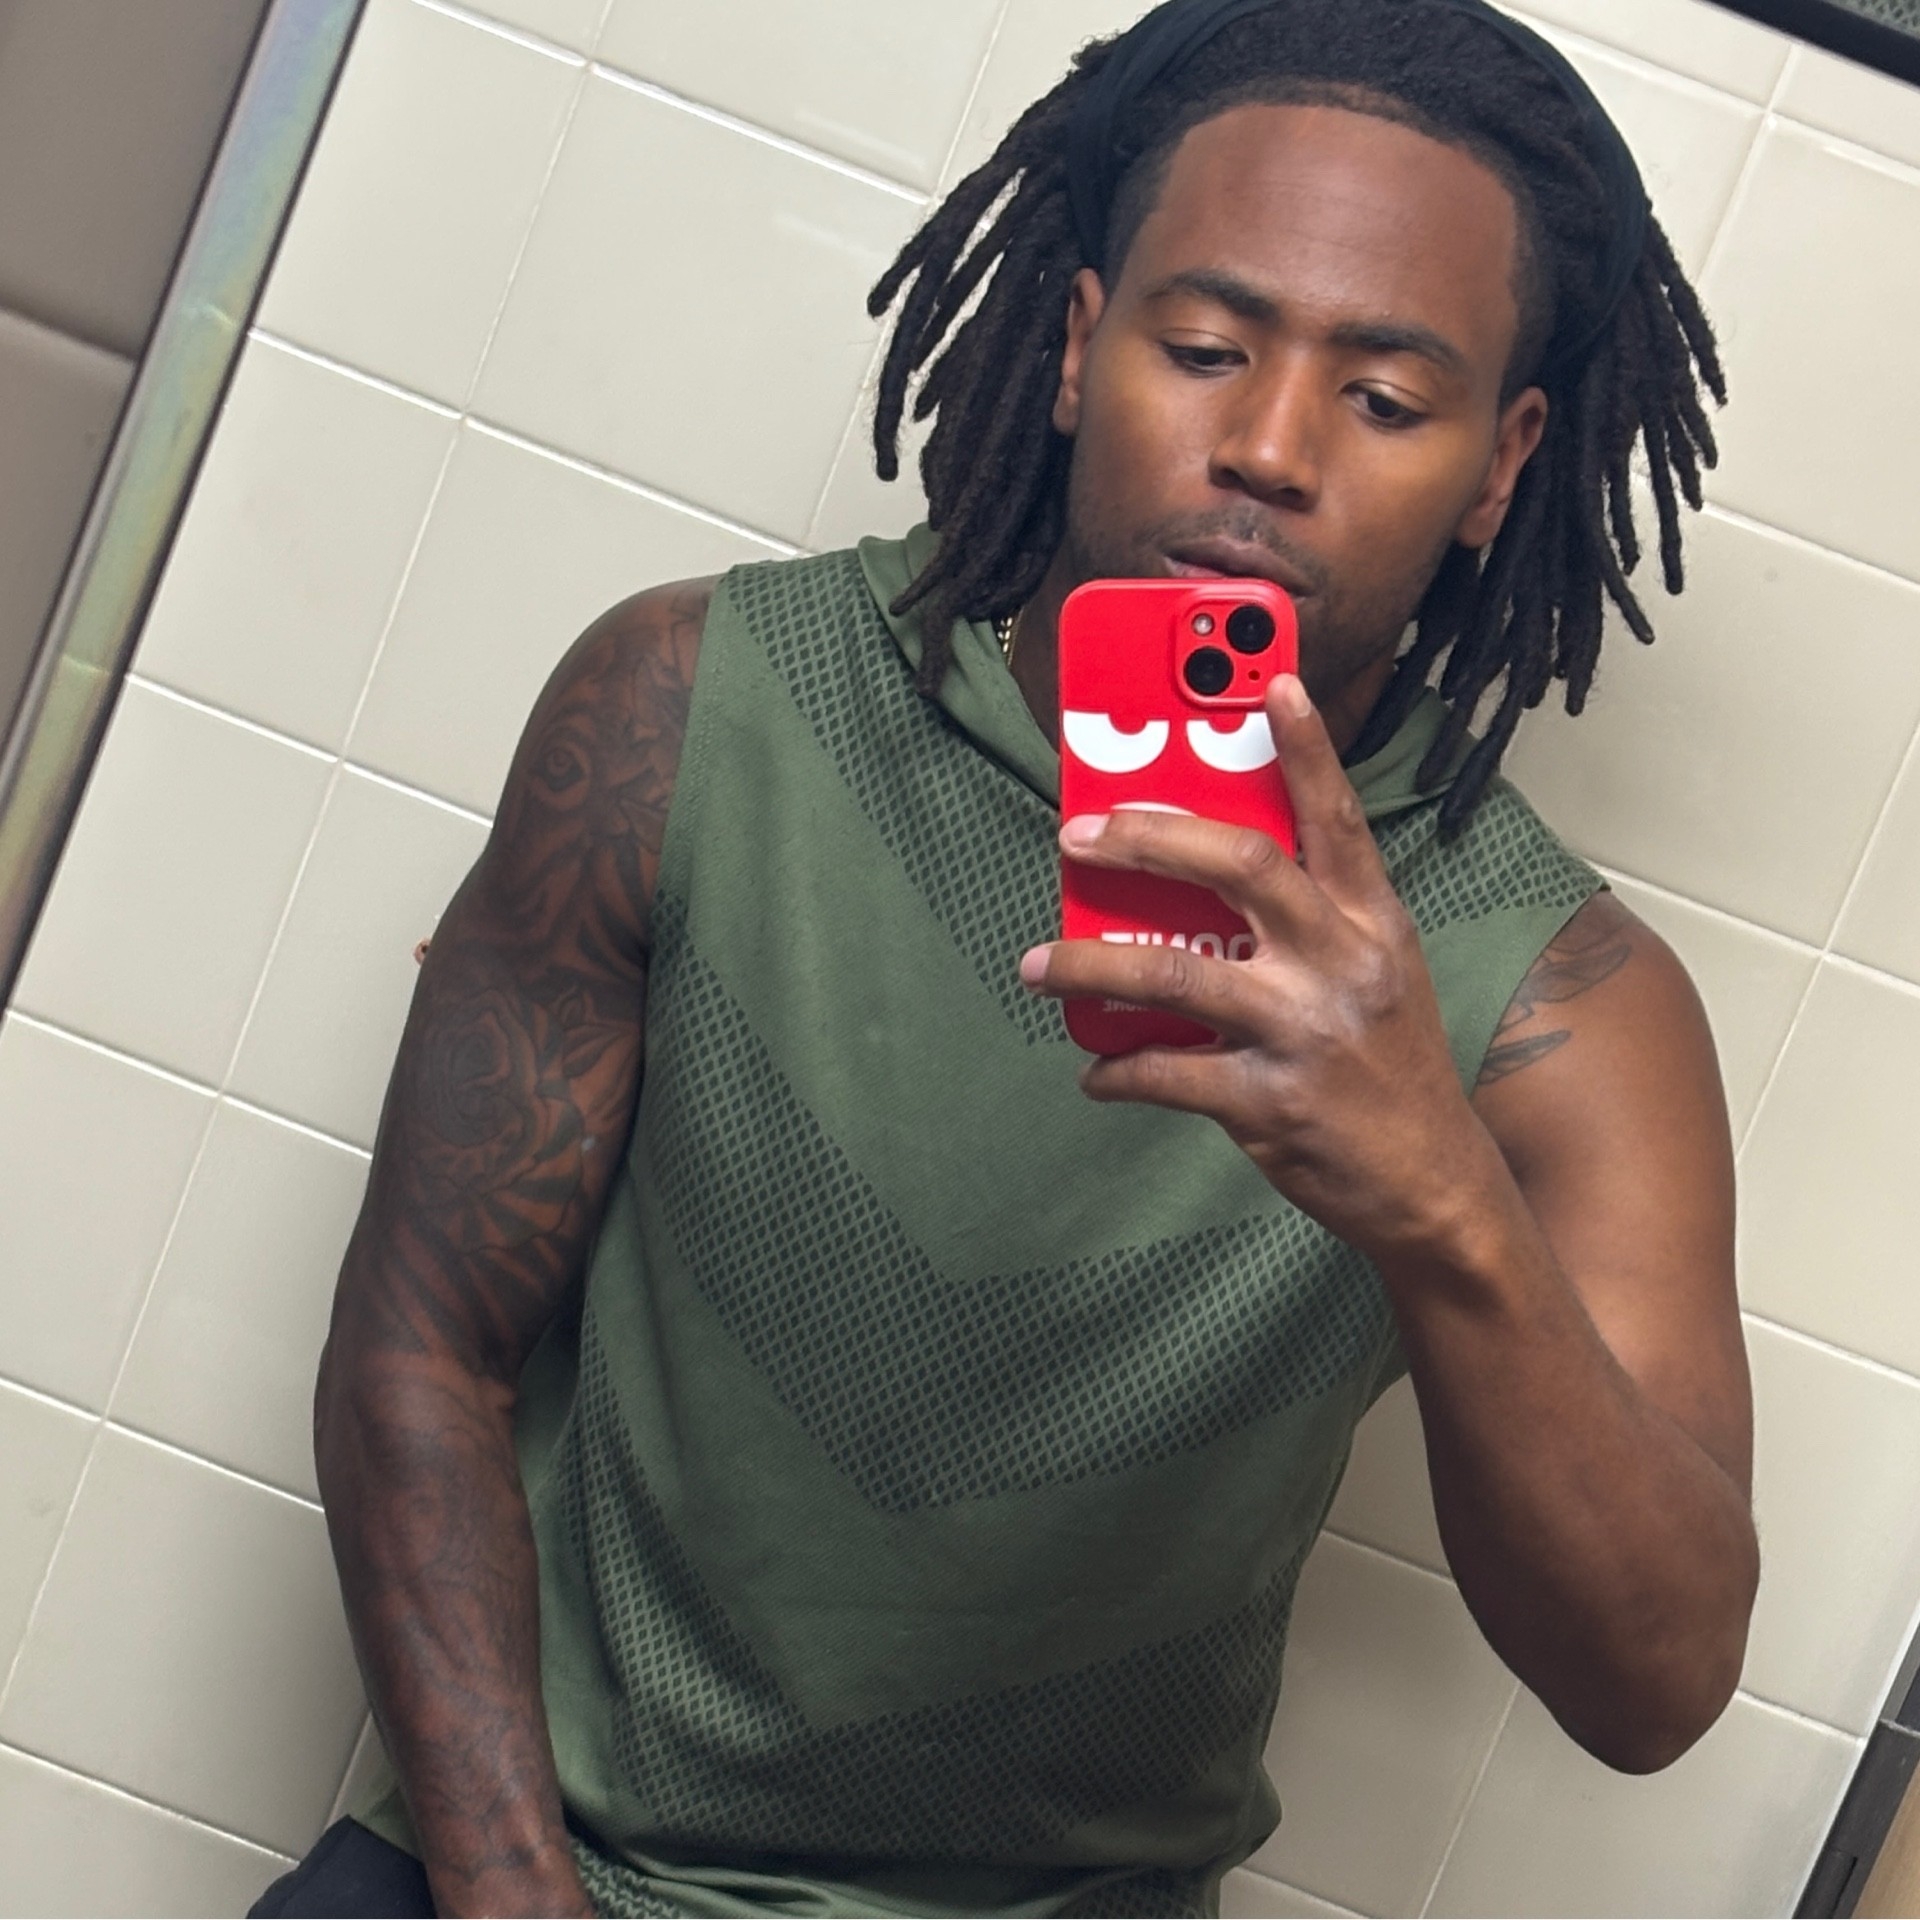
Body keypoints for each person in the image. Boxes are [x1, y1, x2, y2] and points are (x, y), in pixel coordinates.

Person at [259, 0, 1759, 1912]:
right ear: (1072, 348)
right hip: (515, 1874)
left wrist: (1438, 1195)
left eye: (1387, 400)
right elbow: (419, 1356)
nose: (1268, 448)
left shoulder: (1559, 1007)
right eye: (1204, 350)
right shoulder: (690, 707)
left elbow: (1656, 1684)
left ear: (1500, 465)